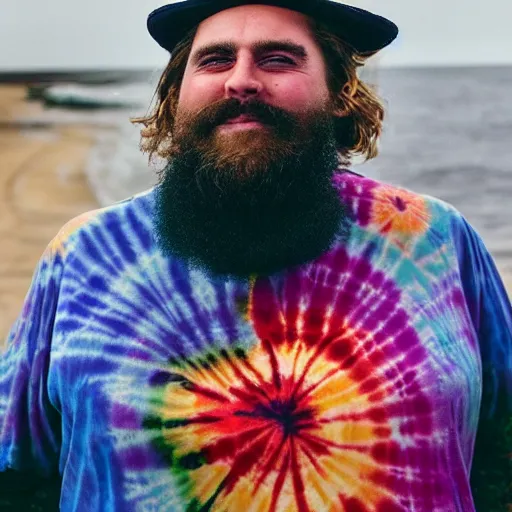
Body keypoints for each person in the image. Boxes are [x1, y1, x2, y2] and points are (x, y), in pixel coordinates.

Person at [1, 0, 510, 510]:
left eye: (279, 60)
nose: (241, 80)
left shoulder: (433, 238)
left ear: (338, 94)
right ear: (176, 95)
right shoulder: (87, 252)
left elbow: (502, 447)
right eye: (215, 60)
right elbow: (17, 471)